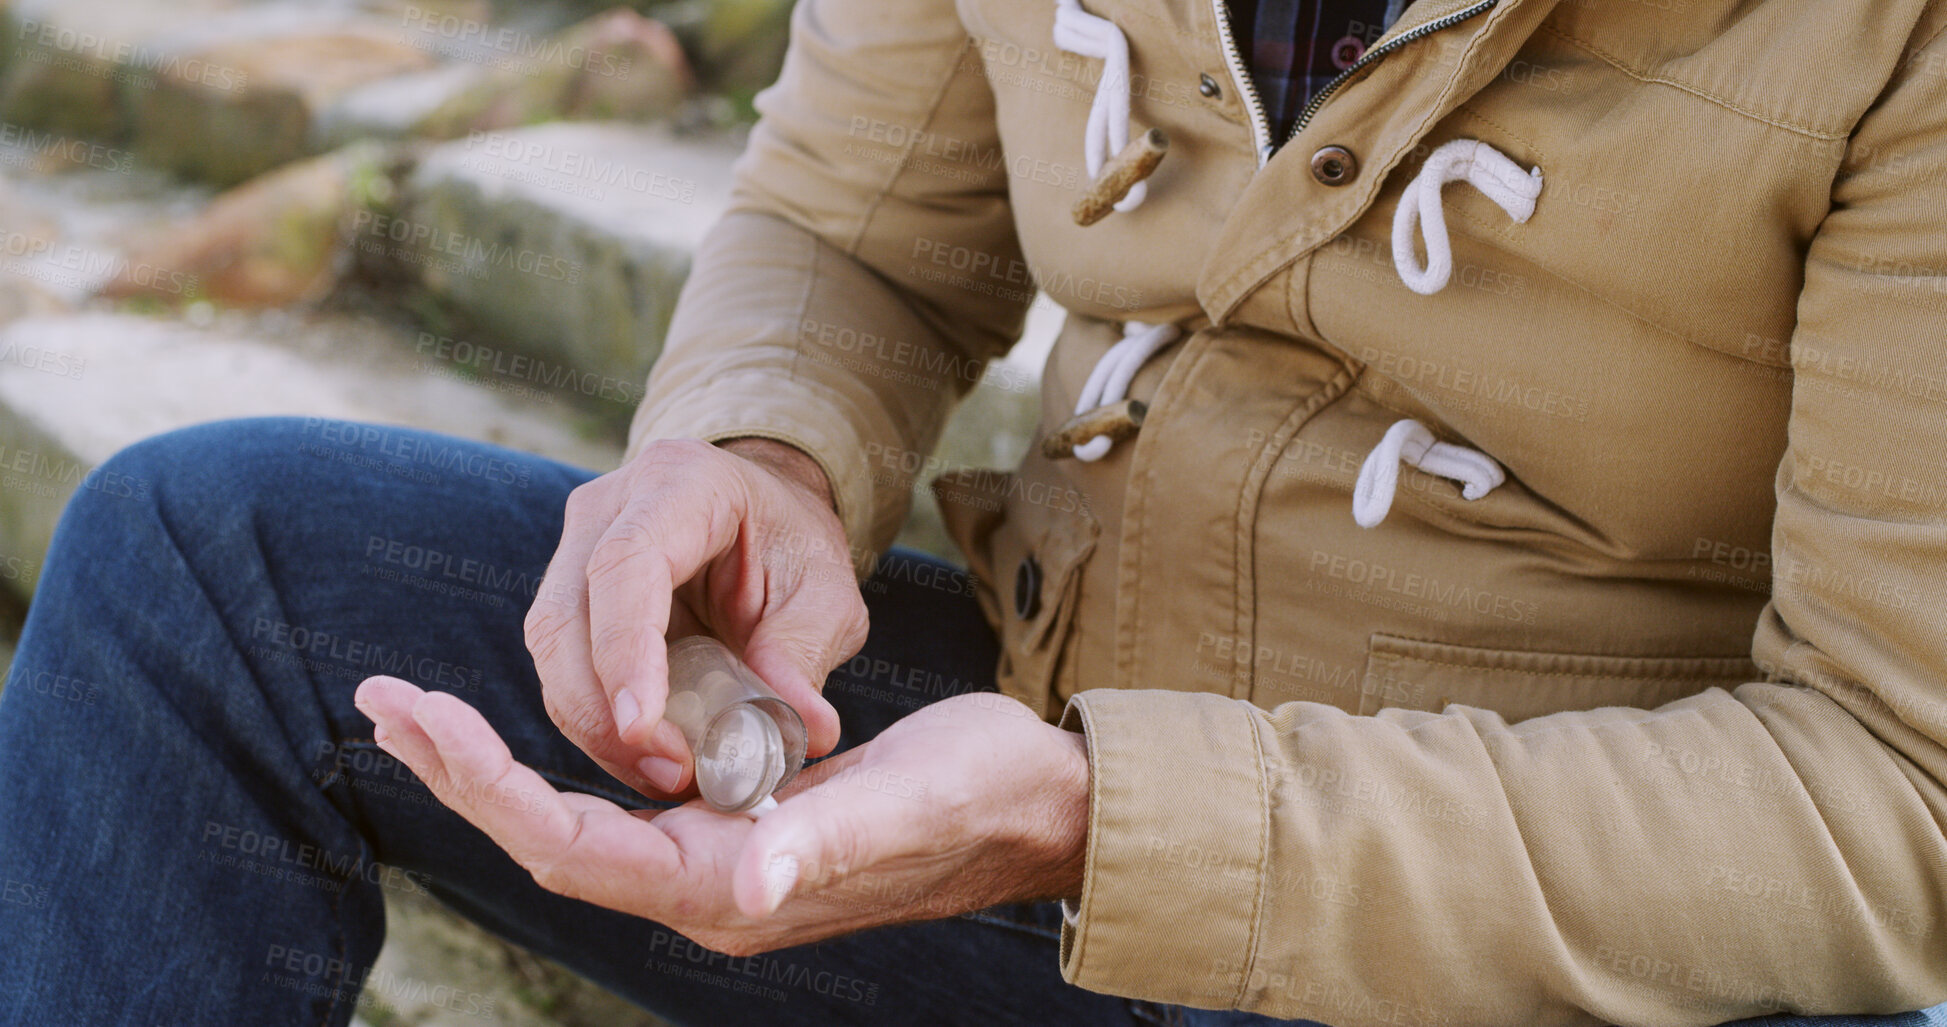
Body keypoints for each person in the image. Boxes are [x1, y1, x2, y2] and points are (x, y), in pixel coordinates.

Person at [3, 0, 1946, 1021]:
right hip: (1028, 806)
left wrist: (1106, 814)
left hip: (1571, 951)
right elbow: (850, 234)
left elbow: (1891, 801)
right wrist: (748, 452)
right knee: (206, 561)